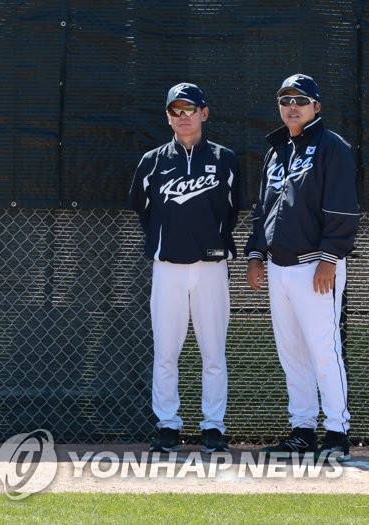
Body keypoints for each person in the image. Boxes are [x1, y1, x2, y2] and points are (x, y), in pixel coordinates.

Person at [246, 73, 359, 461]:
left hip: (316, 266)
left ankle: (337, 431)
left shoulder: (333, 147)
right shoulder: (276, 150)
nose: (291, 106)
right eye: (284, 100)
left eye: (300, 100)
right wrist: (256, 253)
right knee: (290, 351)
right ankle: (302, 428)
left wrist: (331, 257)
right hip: (279, 267)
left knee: (324, 350)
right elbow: (264, 209)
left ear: (316, 107)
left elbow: (343, 206)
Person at [129, 82, 244, 454]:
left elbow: (233, 209)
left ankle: (213, 426)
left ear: (204, 113)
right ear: (168, 117)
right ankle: (167, 424)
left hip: (211, 267)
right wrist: (168, 240)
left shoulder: (225, 159)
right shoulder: (153, 161)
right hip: (168, 269)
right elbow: (142, 208)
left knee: (213, 351)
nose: (183, 117)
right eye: (176, 111)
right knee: (166, 351)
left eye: (190, 109)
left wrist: (208, 239)